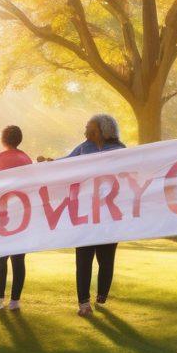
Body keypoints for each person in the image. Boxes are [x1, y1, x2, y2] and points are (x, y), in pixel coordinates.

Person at [41, 114, 127, 317]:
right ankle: (83, 303)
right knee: (83, 258)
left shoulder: (119, 150)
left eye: (91, 127)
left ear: (104, 130)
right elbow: (67, 163)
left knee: (106, 259)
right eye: (87, 127)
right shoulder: (84, 148)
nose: (87, 130)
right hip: (84, 213)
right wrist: (49, 163)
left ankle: (102, 294)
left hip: (109, 215)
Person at [0, 125, 33, 311]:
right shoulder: (25, 159)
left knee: (1, 257)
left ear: (3, 139)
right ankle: (15, 301)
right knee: (19, 258)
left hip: (3, 215)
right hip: (22, 214)